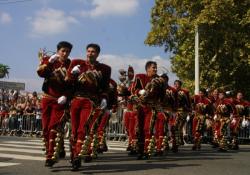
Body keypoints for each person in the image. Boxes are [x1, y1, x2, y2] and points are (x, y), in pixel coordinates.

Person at [66, 43, 111, 170]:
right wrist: (73, 74)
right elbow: (68, 82)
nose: (90, 53)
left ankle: (77, 157)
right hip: (76, 99)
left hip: (90, 101)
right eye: (89, 51)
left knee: (82, 128)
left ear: (97, 54)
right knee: (74, 129)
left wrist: (104, 98)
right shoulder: (77, 63)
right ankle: (73, 154)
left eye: (93, 52)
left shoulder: (105, 69)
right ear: (86, 52)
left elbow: (105, 87)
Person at [37, 41, 73, 167]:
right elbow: (41, 74)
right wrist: (49, 62)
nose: (65, 53)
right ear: (58, 51)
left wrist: (66, 96)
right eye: (63, 51)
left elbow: (72, 85)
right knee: (46, 128)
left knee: (54, 127)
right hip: (47, 98)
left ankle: (50, 156)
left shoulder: (70, 64)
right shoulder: (49, 59)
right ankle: (49, 151)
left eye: (68, 51)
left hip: (60, 100)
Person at [130, 61, 165, 159]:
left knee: (147, 128)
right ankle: (140, 151)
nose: (155, 69)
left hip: (152, 107)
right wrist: (140, 91)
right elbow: (132, 89)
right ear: (147, 69)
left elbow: (162, 96)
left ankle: (146, 151)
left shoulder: (159, 80)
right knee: (139, 129)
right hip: (141, 107)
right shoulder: (140, 77)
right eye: (153, 67)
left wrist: (162, 85)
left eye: (156, 67)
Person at [172, 80, 191, 152]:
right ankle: (177, 141)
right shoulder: (172, 91)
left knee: (178, 126)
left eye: (178, 84)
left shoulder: (185, 92)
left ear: (180, 85)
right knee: (175, 127)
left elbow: (188, 102)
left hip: (182, 111)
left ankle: (177, 141)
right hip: (173, 111)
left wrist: (189, 110)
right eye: (175, 84)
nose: (176, 85)